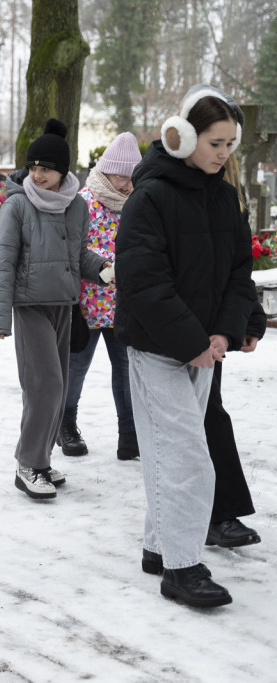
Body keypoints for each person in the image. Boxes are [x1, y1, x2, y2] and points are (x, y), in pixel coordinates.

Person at [116, 85, 257, 608]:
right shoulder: (151, 197)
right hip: (158, 349)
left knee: (167, 450)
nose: (224, 154)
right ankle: (182, 567)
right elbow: (143, 281)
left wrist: (231, 328)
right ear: (183, 138)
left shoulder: (223, 196)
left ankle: (160, 546)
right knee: (187, 457)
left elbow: (238, 270)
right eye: (215, 143)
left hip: (204, 348)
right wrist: (193, 339)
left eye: (230, 144)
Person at [0, 119, 107, 500]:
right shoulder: (17, 205)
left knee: (59, 386)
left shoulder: (77, 206)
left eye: (47, 168)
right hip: (30, 306)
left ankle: (40, 459)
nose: (38, 175)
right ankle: (27, 463)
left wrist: (103, 268)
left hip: (63, 306)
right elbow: (2, 260)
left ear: (62, 171)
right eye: (33, 167)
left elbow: (76, 254)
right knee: (45, 385)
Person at [58, 132, 142, 461]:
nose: (125, 184)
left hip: (124, 306)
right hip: (85, 305)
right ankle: (66, 425)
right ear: (106, 171)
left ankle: (130, 435)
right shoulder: (82, 202)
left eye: (130, 177)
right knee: (75, 369)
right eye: (120, 176)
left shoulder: (137, 204)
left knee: (125, 369)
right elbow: (71, 249)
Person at [202, 153, 265, 549]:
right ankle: (209, 514)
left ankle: (218, 512)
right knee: (204, 421)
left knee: (210, 417)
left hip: (214, 331)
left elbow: (236, 271)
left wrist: (249, 321)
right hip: (177, 330)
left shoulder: (230, 198)